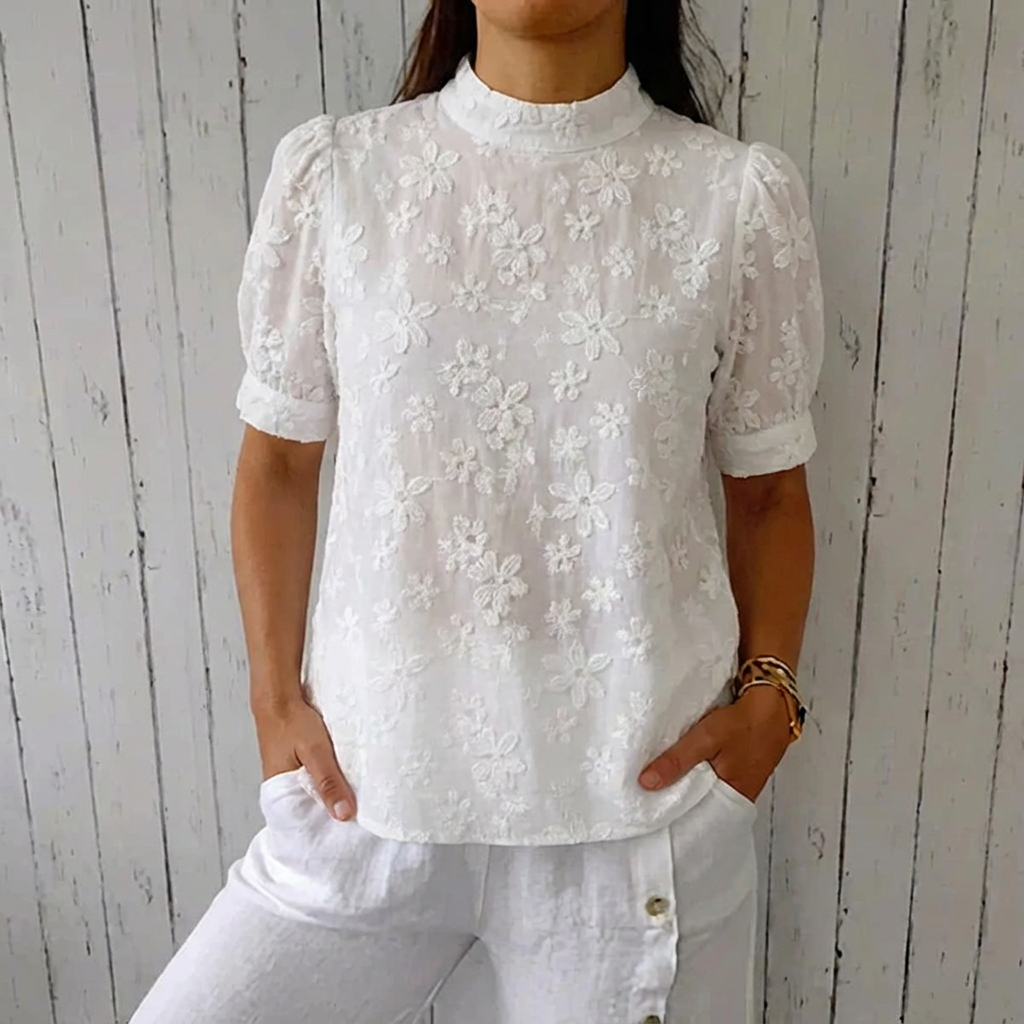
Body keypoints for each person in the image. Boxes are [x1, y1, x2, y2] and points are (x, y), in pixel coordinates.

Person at [130, 0, 823, 1020]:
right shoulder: (342, 178)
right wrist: (274, 700)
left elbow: (767, 492)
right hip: (364, 795)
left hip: (634, 819)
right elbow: (276, 461)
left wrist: (770, 701)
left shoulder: (731, 199)